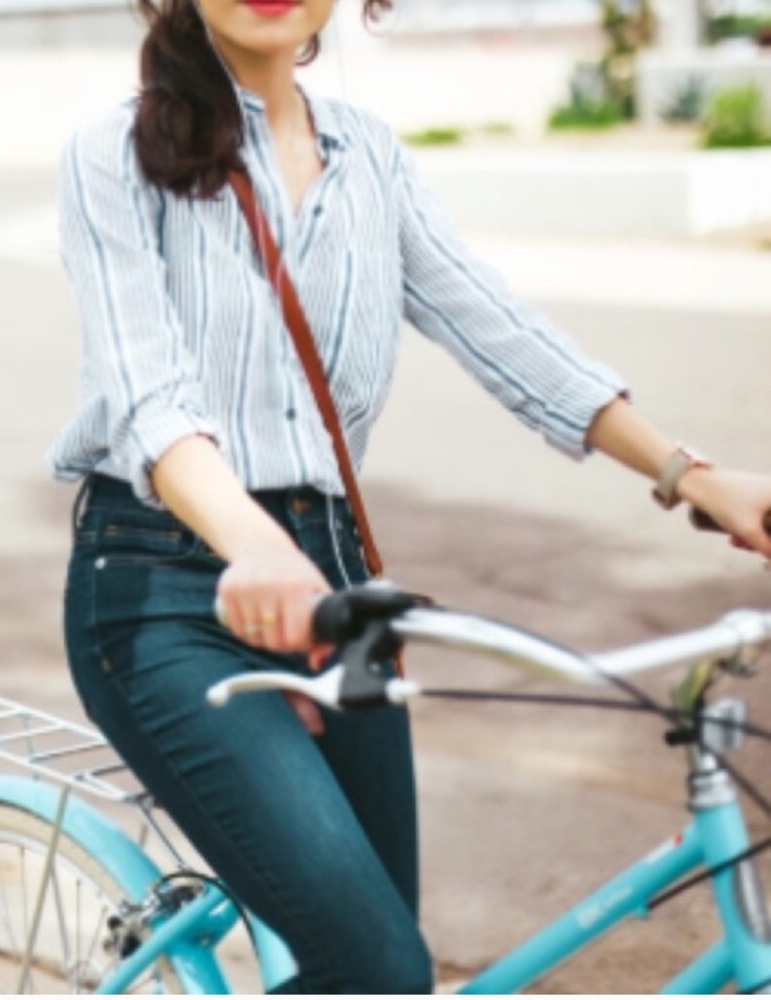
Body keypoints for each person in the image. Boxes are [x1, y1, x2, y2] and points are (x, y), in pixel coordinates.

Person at [47, 0, 771, 992]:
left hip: (336, 591)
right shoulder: (113, 153)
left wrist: (689, 473)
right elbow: (147, 397)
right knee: (379, 966)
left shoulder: (370, 159)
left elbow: (500, 331)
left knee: (381, 973)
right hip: (166, 591)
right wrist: (253, 546)